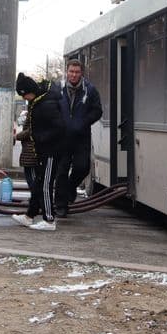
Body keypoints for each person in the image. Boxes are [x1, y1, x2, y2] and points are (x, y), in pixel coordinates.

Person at [11, 73, 65, 231]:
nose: (25, 99)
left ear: (29, 91)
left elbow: (59, 127)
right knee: (39, 183)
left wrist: (40, 137)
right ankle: (29, 216)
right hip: (43, 150)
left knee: (45, 185)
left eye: (24, 95)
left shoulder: (46, 104)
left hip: (50, 151)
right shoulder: (39, 101)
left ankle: (49, 220)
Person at [54, 58, 103, 217]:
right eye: (71, 72)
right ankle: (61, 205)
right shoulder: (57, 88)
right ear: (66, 72)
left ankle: (70, 188)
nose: (74, 75)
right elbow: (51, 107)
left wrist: (83, 122)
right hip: (62, 137)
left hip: (81, 137)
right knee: (61, 171)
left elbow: (97, 111)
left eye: (77, 72)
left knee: (83, 167)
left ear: (81, 73)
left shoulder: (90, 90)